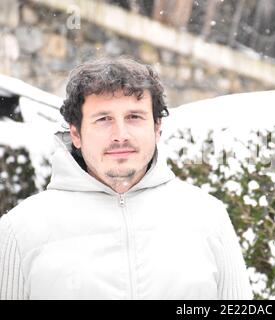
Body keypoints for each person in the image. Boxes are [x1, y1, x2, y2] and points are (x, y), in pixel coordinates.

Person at [0, 57, 253, 300]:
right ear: (76, 133)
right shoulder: (20, 229)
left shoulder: (209, 217)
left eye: (134, 117)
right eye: (103, 119)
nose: (120, 135)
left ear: (156, 127)